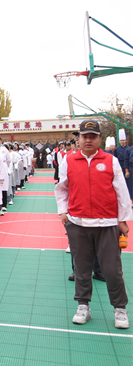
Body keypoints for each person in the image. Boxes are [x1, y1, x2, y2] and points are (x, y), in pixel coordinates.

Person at [54, 120, 132, 329]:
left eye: (93, 136)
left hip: (107, 223)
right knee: (82, 269)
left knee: (112, 270)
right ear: (78, 139)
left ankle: (120, 308)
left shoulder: (110, 160)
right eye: (84, 136)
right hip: (78, 223)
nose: (88, 140)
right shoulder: (69, 160)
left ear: (99, 139)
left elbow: (121, 191)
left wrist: (122, 220)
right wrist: (63, 211)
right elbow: (62, 188)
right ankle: (83, 306)